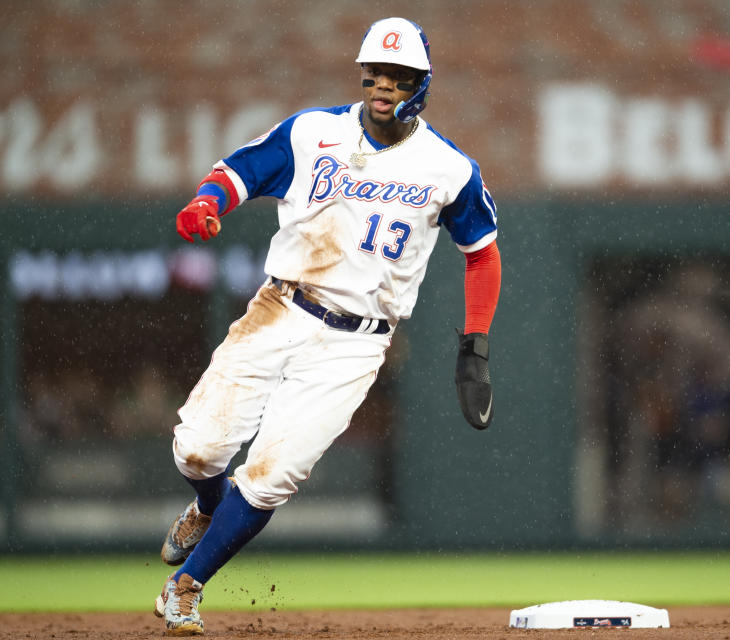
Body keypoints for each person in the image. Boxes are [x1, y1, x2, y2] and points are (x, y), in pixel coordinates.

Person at [153, 17, 501, 636]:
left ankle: (186, 586)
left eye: (399, 76)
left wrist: (475, 341)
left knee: (273, 474)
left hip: (356, 342)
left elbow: (482, 252)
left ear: (421, 84)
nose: (384, 86)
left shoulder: (448, 167)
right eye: (376, 73)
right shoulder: (314, 131)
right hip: (281, 305)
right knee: (197, 449)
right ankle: (206, 508)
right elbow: (239, 171)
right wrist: (208, 201)